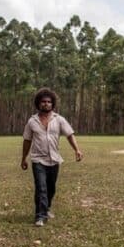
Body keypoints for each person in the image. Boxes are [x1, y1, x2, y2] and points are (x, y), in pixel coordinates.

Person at [21, 88, 83, 226]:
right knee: (41, 187)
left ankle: (46, 207)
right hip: (38, 159)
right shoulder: (32, 121)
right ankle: (40, 216)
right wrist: (24, 158)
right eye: (43, 101)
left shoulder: (59, 119)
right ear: (38, 103)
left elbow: (69, 135)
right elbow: (27, 140)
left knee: (51, 188)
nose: (46, 104)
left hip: (54, 159)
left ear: (52, 104)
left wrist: (77, 150)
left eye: (49, 102)